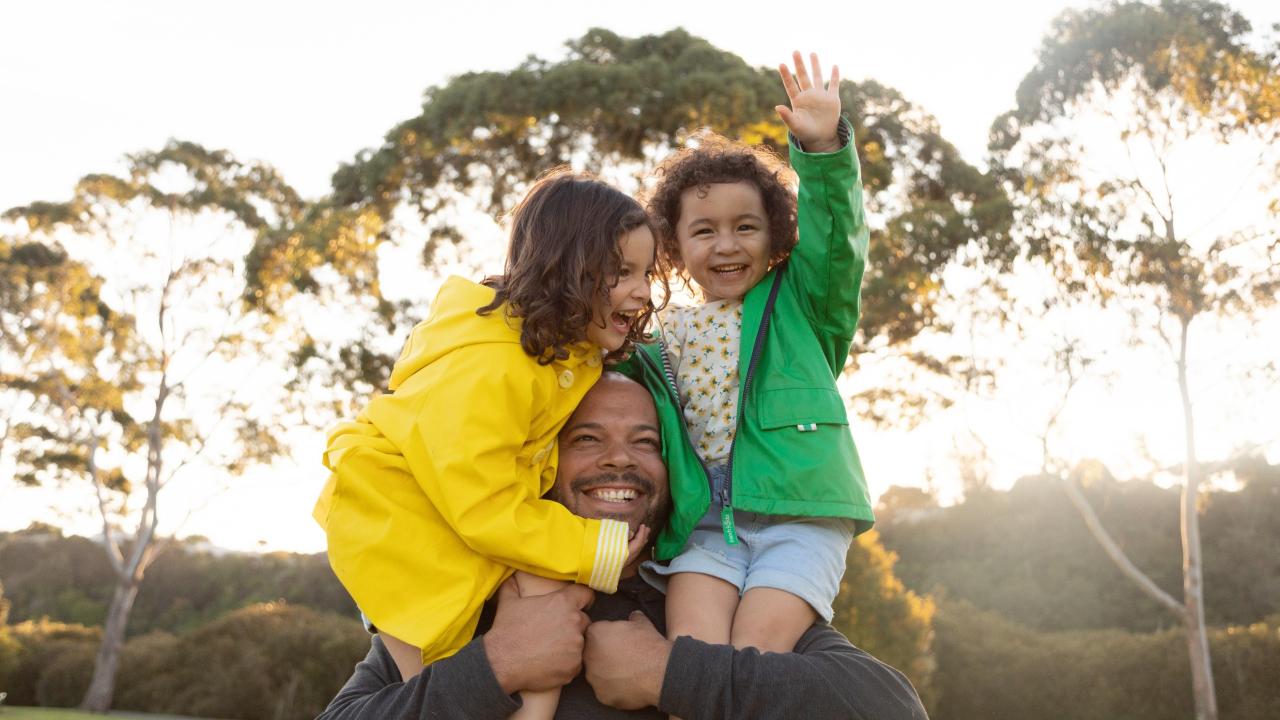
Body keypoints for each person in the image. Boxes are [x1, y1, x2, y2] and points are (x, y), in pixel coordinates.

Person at [318, 373, 929, 719]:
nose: (619, 459)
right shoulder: (473, 605)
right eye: (586, 439)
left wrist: (670, 673)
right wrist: (497, 663)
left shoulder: (711, 599)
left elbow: (895, 711)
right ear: (541, 465)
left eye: (646, 441)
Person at [311, 170, 661, 716]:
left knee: (542, 608)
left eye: (646, 272)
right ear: (568, 272)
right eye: (622, 273)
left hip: (475, 516)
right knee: (444, 683)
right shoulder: (493, 367)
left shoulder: (562, 352)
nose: (643, 290)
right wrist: (593, 549)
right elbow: (483, 504)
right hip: (404, 534)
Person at [626, 51, 876, 657]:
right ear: (674, 244)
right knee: (693, 660)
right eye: (704, 230)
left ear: (777, 234)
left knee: (754, 657)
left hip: (800, 520)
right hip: (704, 528)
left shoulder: (803, 303)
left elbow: (836, 241)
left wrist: (821, 154)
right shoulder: (660, 334)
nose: (727, 244)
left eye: (746, 226)